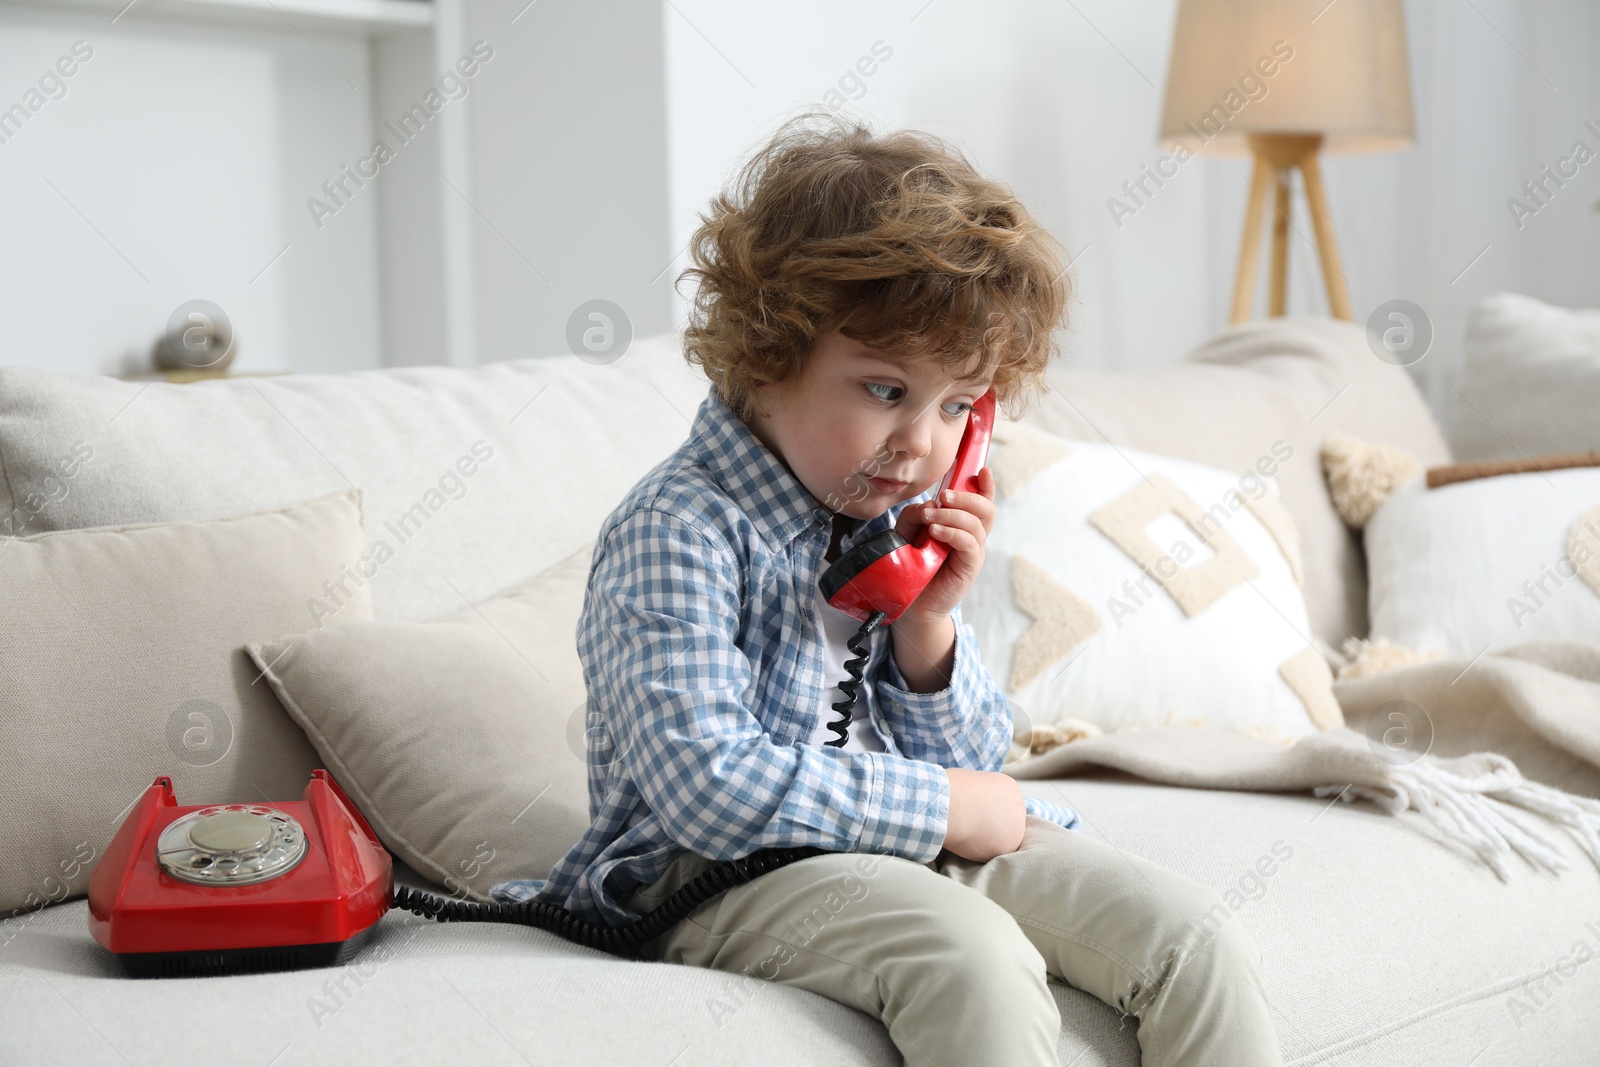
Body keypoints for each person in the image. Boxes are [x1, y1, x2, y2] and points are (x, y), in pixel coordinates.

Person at [489, 112, 1283, 1067]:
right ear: (766, 356)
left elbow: (983, 760)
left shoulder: (885, 517)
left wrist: (928, 630)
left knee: (1195, 939)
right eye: (883, 389)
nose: (923, 443)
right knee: (974, 962)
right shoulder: (677, 529)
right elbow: (705, 785)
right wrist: (943, 807)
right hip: (722, 873)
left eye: (957, 405)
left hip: (892, 839)